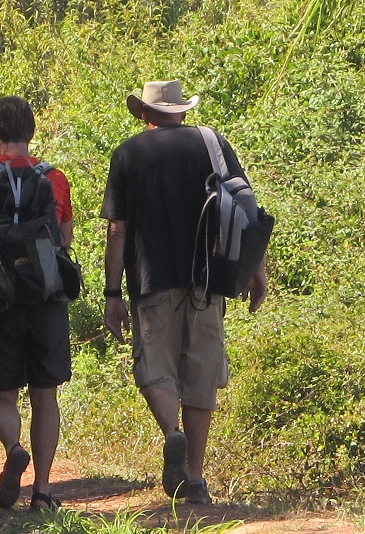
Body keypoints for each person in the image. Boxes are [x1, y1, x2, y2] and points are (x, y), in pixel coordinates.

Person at [101, 79, 269, 506]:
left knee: (155, 370)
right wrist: (255, 271)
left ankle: (172, 434)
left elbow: (117, 229)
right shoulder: (213, 144)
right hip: (207, 280)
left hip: (150, 282)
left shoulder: (128, 154)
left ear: (145, 114)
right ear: (182, 111)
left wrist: (112, 292)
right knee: (201, 377)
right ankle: (194, 477)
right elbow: (246, 208)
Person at [0, 95, 73, 510]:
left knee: (2, 394)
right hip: (46, 297)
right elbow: (64, 239)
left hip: (0, 299)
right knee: (46, 395)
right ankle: (43, 492)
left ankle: (13, 448)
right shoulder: (54, 178)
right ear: (31, 130)